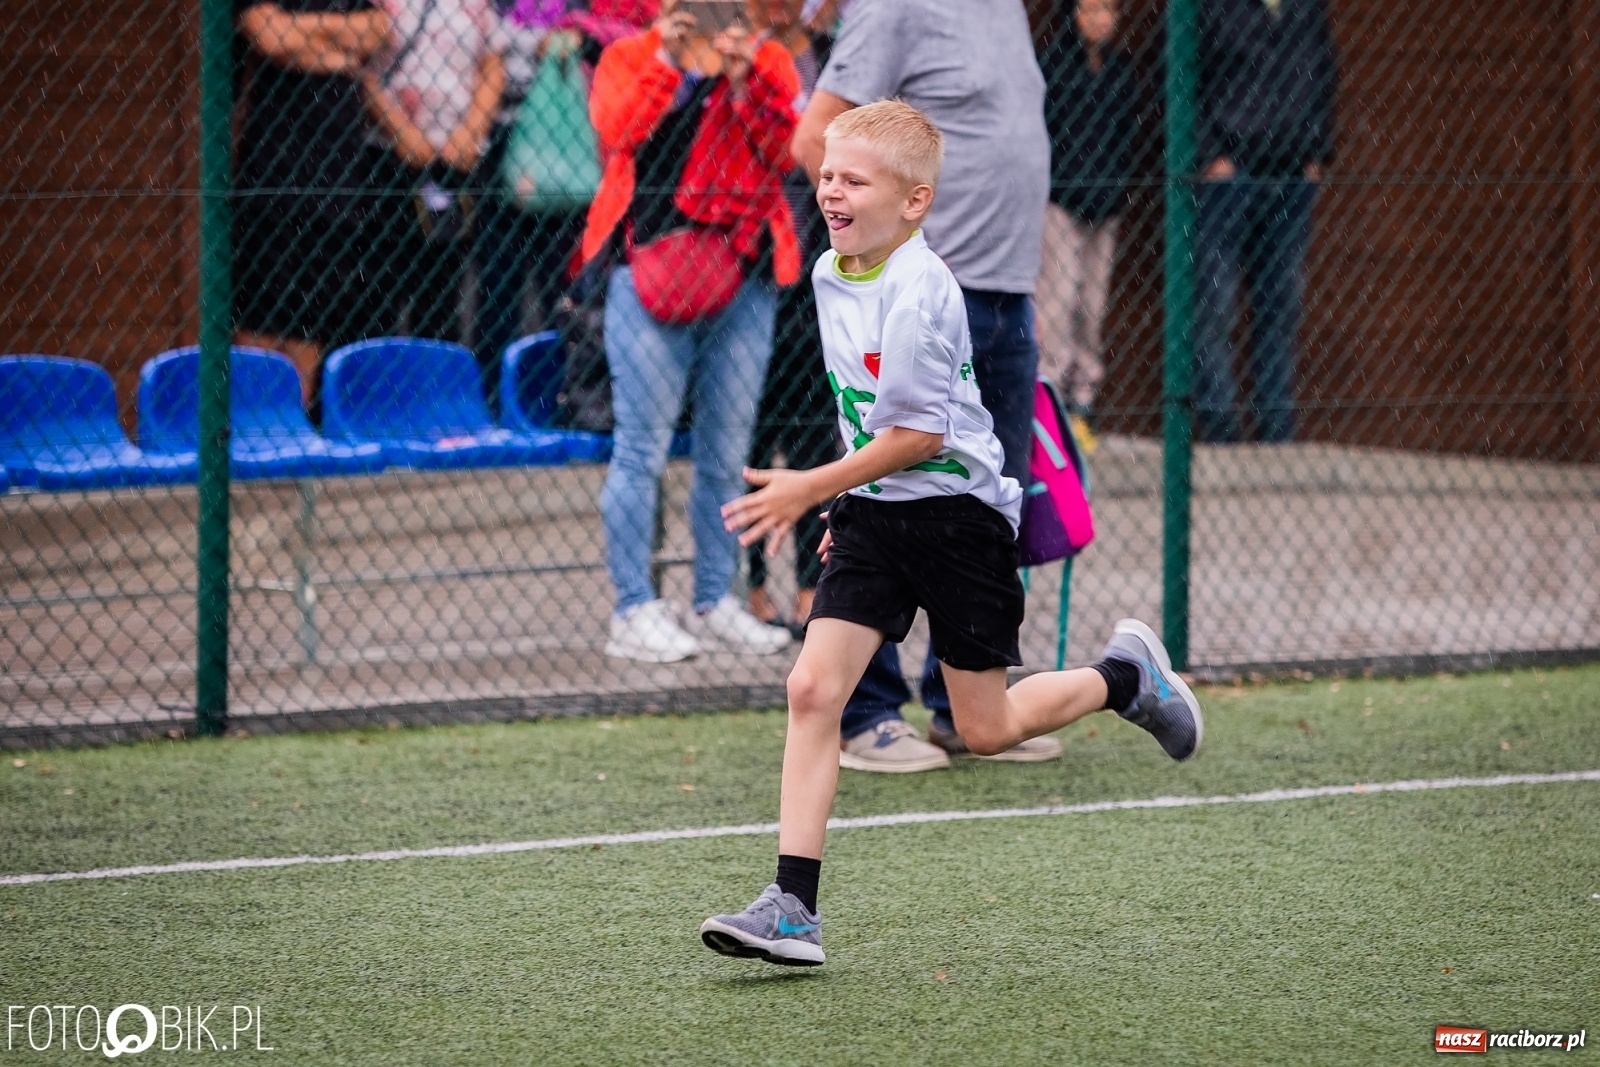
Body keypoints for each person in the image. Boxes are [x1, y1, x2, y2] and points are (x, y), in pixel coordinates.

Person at [700, 102, 1204, 966]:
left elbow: (920, 437)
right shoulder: (831, 270)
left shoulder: (922, 288)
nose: (830, 189)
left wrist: (808, 488)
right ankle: (792, 906)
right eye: (826, 173)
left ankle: (1125, 675)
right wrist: (841, 508)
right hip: (877, 509)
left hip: (958, 519)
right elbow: (863, 418)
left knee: (985, 727)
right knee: (814, 690)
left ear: (915, 202)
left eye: (854, 180)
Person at [791, 0, 1057, 770]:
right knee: (883, 498)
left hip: (1006, 290)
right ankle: (866, 711)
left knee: (971, 510)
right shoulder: (894, 6)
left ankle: (963, 706)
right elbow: (821, 137)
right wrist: (877, 266)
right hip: (938, 288)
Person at [581, 1, 803, 661]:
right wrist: (668, 65)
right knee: (640, 449)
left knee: (727, 453)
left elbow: (786, 152)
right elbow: (619, 132)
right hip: (651, 267)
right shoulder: (630, 56)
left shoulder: (767, 60)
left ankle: (715, 599)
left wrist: (745, 83)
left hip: (745, 271)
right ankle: (632, 609)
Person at [233, 0, 393, 407]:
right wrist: (339, 51)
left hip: (336, 173)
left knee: (312, 316)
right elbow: (271, 36)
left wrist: (302, 37)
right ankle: (257, 422)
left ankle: (293, 420)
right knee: (261, 312)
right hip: (273, 170)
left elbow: (376, 31)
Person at [1192, 0, 1337, 443]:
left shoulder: (1307, 7)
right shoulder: (1205, 7)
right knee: (1214, 303)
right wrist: (1208, 155)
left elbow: (1326, 74)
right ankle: (1220, 429)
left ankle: (1276, 428)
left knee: (1282, 305)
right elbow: (1178, 75)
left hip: (1291, 174)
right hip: (1228, 175)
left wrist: (1315, 151)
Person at [744, 0, 840, 637]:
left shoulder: (836, 61)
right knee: (752, 434)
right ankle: (752, 584)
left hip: (821, 271)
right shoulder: (745, 57)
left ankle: (810, 583)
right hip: (752, 269)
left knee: (812, 434)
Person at [470, 2, 593, 406]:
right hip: (500, 145)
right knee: (498, 286)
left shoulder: (576, 5)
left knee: (560, 287)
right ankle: (491, 400)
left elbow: (604, 33)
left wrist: (575, 34)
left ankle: (558, 397)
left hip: (564, 146)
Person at [362, 0, 505, 343]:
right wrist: (403, 134)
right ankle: (377, 388)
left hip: (455, 164)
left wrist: (471, 133)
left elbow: (492, 65)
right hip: (387, 159)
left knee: (443, 291)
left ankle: (432, 388)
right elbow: (360, 68)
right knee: (378, 288)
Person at [1036, 0, 1136, 451]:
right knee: (1058, 298)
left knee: (1092, 305)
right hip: (1060, 203)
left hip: (1105, 207)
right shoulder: (1053, 66)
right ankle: (1049, 402)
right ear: (1072, 13)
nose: (1100, 20)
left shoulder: (1121, 72)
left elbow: (1128, 139)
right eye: (1091, 9)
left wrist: (1114, 191)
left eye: (1108, 11)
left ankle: (1082, 405)